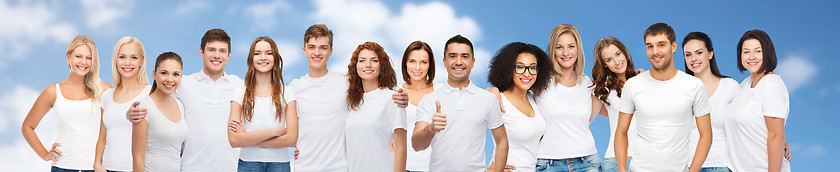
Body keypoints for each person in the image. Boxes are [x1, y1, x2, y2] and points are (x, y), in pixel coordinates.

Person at [289, 24, 408, 172]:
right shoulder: (293, 88)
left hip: (339, 168)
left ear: (331, 51)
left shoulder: (345, 83)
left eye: (323, 47)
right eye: (312, 47)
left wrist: (403, 94)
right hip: (305, 167)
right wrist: (297, 146)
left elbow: (373, 89)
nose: (317, 52)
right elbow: (287, 127)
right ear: (304, 50)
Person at [127, 29, 244, 172]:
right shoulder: (183, 83)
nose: (216, 55)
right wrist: (130, 112)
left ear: (229, 55)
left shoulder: (240, 85)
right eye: (211, 50)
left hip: (229, 168)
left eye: (222, 51)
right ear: (202, 52)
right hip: (190, 168)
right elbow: (156, 94)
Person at [615, 23, 712, 172]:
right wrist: (622, 170)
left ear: (673, 47)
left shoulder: (694, 85)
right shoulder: (633, 85)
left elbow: (706, 134)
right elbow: (621, 131)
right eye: (649, 46)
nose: (655, 52)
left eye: (661, 45)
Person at [411, 35, 509, 172]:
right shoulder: (429, 100)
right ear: (444, 62)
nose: (458, 62)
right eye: (452, 56)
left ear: (473, 62)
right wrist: (431, 128)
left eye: (464, 56)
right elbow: (416, 145)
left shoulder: (488, 99)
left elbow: (502, 141)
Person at [22, 35, 111, 172]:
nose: (83, 62)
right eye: (78, 56)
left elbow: (121, 122)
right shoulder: (53, 92)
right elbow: (27, 127)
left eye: (89, 57)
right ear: (68, 57)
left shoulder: (104, 90)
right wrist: (45, 155)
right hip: (63, 167)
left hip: (98, 168)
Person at [535, 24, 603, 172]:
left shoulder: (588, 84)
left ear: (578, 49)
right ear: (553, 50)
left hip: (588, 163)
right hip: (548, 163)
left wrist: (633, 79)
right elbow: (511, 94)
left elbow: (615, 110)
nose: (566, 52)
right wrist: (493, 89)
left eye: (571, 46)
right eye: (559, 47)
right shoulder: (539, 81)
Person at [227, 36, 298, 172]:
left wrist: (247, 138)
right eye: (257, 53)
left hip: (280, 164)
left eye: (269, 53)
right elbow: (234, 140)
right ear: (251, 59)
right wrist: (273, 132)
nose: (263, 57)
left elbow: (292, 139)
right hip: (249, 164)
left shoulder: (287, 93)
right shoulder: (239, 93)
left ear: (275, 58)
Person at [725, 29, 791, 172]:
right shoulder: (745, 84)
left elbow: (776, 135)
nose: (751, 56)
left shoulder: (771, 84)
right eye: (746, 51)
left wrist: (780, 139)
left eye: (757, 51)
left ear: (767, 53)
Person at [487, 42, 552, 171]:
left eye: (532, 68)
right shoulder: (497, 100)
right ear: (508, 69)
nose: (527, 74)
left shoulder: (534, 98)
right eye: (520, 67)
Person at [344, 42, 407, 172]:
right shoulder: (350, 102)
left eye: (374, 60)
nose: (368, 65)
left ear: (381, 65)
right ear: (355, 66)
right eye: (362, 60)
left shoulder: (393, 98)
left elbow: (401, 149)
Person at [681, 32, 738, 172]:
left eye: (699, 52)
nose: (693, 59)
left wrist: (778, 139)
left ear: (710, 54)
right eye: (688, 55)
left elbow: (749, 119)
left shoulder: (730, 86)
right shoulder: (679, 90)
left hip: (722, 165)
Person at [94, 36, 152, 172]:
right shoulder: (107, 95)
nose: (127, 63)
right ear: (115, 61)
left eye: (133, 57)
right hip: (106, 169)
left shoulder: (150, 94)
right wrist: (97, 164)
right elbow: (102, 136)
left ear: (142, 62)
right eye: (122, 57)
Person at [131, 52, 188, 172]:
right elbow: (137, 158)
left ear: (181, 77)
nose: (170, 79)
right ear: (154, 74)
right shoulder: (144, 107)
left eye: (175, 74)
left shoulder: (180, 105)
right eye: (164, 73)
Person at [590, 36, 638, 172]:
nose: (617, 62)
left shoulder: (644, 81)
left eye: (618, 54)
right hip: (615, 163)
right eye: (609, 59)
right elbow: (585, 120)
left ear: (624, 52)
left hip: (646, 161)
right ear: (605, 64)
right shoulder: (602, 90)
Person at [399, 41, 436, 172]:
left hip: (435, 167)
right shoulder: (394, 92)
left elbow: (469, 93)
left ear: (430, 65)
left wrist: (492, 89)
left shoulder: (442, 91)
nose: (417, 68)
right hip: (402, 167)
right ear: (405, 63)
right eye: (412, 61)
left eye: (423, 62)